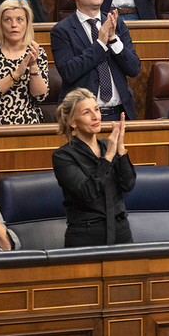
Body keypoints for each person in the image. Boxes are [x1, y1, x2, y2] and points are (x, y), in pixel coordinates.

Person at [51, 0, 141, 118]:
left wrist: (113, 39)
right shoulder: (62, 31)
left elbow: (134, 68)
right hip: (82, 117)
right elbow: (69, 72)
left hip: (118, 114)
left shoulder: (116, 24)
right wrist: (100, 43)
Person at [52, 88, 136, 246]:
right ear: (72, 122)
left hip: (121, 231)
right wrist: (109, 157)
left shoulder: (108, 146)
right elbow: (87, 192)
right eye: (86, 112)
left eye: (96, 109)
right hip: (86, 235)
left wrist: (120, 150)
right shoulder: (63, 156)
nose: (95, 116)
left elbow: (128, 184)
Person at [0, 0, 49, 126]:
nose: (14, 25)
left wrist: (33, 65)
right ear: (0, 24)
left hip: (28, 123)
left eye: (19, 19)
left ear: (27, 23)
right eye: (7, 19)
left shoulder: (37, 52)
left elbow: (40, 97)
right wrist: (15, 74)